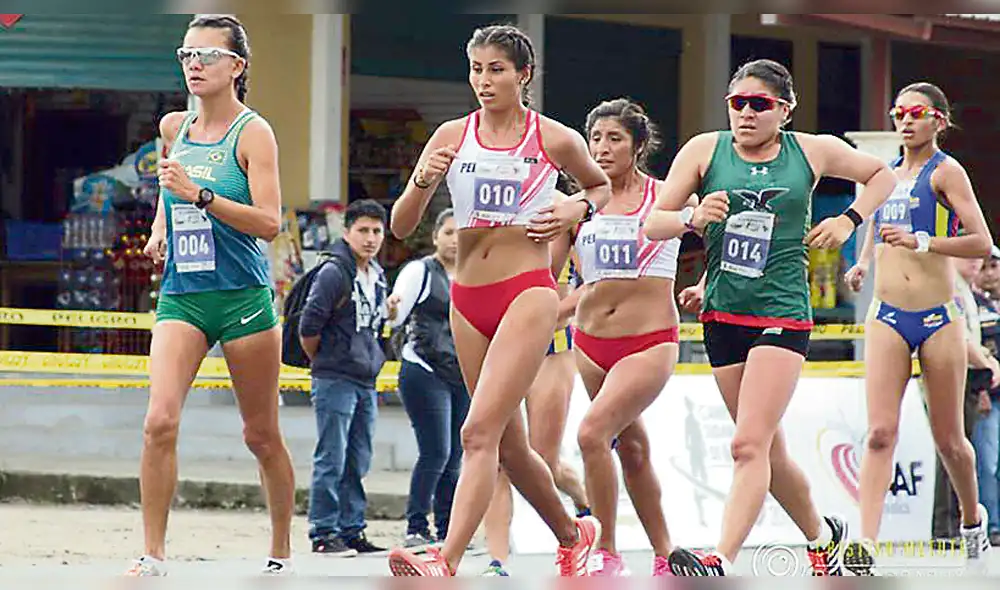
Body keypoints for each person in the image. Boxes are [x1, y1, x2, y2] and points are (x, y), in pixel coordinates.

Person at [642, 58, 898, 576]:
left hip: (781, 314)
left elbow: (881, 175)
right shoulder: (703, 150)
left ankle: (721, 557)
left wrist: (848, 220)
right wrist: (692, 218)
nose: (746, 114)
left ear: (784, 109)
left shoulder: (810, 149)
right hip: (722, 314)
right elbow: (654, 224)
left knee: (746, 444)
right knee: (768, 451)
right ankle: (824, 536)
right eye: (738, 103)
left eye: (759, 105)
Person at [386, 23, 612, 577]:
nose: (484, 82)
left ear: (523, 75)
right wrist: (421, 181)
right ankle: (572, 532)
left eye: (496, 70)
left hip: (527, 291)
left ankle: (446, 557)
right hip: (468, 297)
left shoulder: (553, 137)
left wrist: (575, 208)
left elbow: (601, 187)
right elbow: (399, 225)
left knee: (475, 432)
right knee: (508, 446)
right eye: (476, 70)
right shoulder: (451, 134)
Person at [131, 14, 295, 576]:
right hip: (183, 293)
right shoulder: (173, 125)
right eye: (186, 55)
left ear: (237, 66)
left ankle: (281, 551)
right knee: (159, 421)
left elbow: (270, 222)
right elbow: (167, 185)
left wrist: (200, 196)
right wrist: (159, 225)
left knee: (260, 433)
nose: (194, 65)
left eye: (206, 55)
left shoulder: (253, 133)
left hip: (243, 297)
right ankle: (152, 553)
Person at [842, 82, 995, 575]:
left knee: (950, 438)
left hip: (936, 316)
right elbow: (872, 220)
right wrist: (864, 262)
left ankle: (973, 519)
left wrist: (923, 241)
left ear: (939, 121)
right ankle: (865, 541)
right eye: (898, 112)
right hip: (887, 313)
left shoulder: (946, 173)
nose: (905, 121)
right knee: (880, 432)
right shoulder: (883, 174)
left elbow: (980, 241)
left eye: (917, 112)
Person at [548, 97, 691, 577]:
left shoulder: (667, 196)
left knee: (592, 434)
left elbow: (722, 239)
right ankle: (665, 554)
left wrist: (706, 285)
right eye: (595, 139)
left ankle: (605, 549)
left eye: (614, 139)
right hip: (590, 343)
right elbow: (554, 279)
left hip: (649, 340)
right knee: (630, 449)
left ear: (638, 145)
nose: (603, 149)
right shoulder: (581, 204)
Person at [480, 189, 590, 577]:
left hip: (553, 345)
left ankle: (583, 507)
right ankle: (497, 559)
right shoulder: (496, 199)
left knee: (540, 459)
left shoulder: (568, 211)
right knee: (498, 455)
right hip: (504, 342)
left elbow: (592, 283)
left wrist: (547, 313)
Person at [299, 198, 396, 557]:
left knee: (359, 457)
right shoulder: (334, 272)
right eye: (363, 231)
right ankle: (324, 532)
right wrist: (326, 360)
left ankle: (352, 529)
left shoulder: (377, 276)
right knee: (332, 456)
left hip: (365, 379)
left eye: (376, 231)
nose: (370, 239)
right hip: (335, 377)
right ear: (347, 232)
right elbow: (310, 326)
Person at [387, 208, 469, 552]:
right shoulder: (420, 271)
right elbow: (395, 316)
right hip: (424, 368)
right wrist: (391, 309)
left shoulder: (474, 273)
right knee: (436, 452)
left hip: (464, 373)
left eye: (460, 233)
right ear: (436, 236)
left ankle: (448, 529)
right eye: (448, 232)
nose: (454, 240)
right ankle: (416, 525)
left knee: (456, 455)